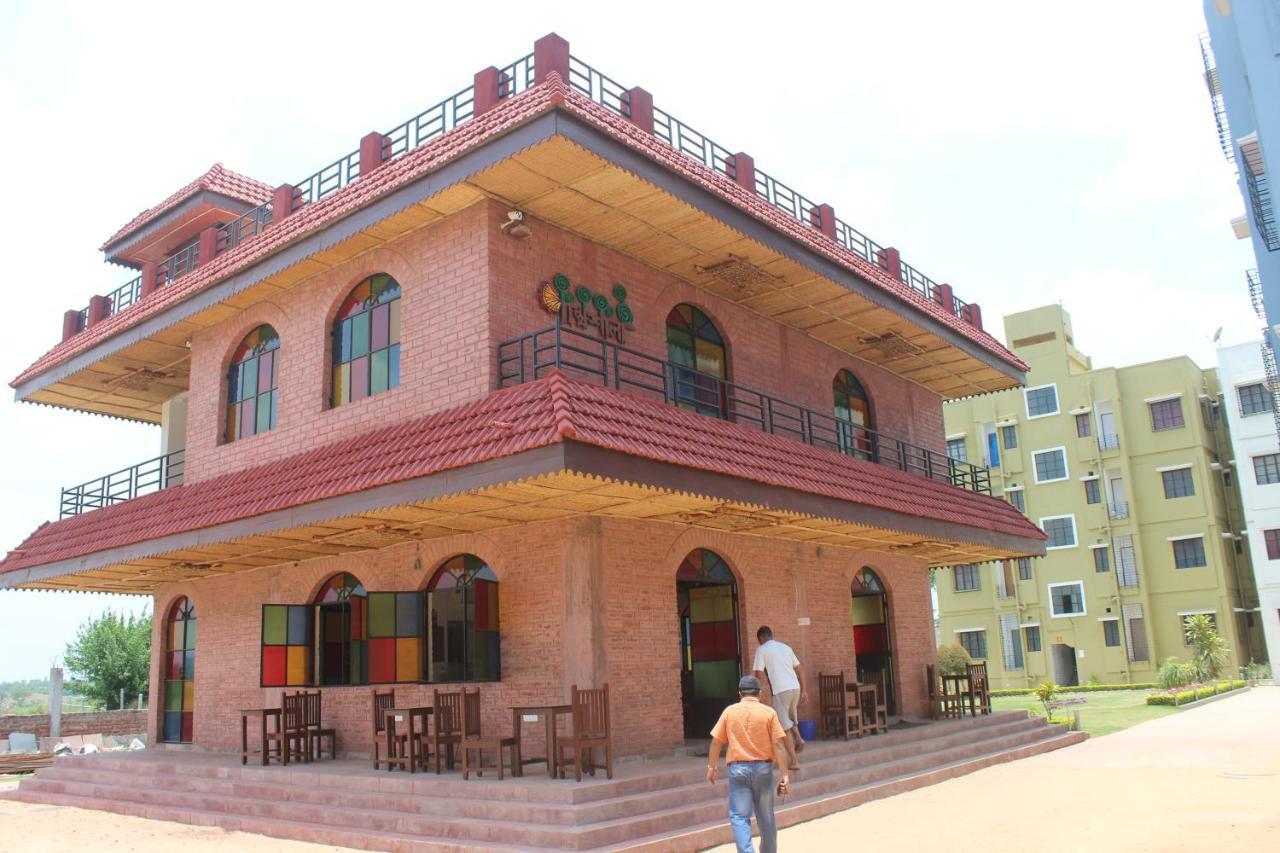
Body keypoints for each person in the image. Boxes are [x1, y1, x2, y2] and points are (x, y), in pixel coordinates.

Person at [707, 675, 790, 853]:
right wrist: (784, 774)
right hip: (763, 769)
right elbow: (778, 745)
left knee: (739, 817)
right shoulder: (769, 713)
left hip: (738, 770)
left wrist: (712, 767)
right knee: (766, 818)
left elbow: (716, 742)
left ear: (739, 693)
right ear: (759, 693)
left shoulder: (729, 712)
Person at [752, 626, 807, 767]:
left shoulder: (762, 649)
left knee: (784, 728)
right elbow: (800, 668)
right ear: (771, 635)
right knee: (789, 718)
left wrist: (755, 693)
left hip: (781, 691)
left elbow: (758, 674)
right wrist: (804, 691)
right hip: (795, 688)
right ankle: (799, 738)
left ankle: (794, 762)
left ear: (761, 638)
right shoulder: (785, 647)